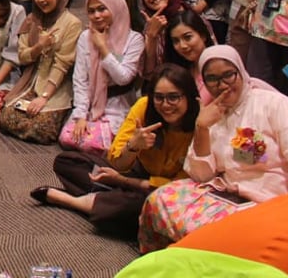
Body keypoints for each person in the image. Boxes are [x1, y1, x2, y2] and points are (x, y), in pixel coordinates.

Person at [138, 46, 288, 252]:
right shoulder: (212, 113)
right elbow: (201, 175)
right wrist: (202, 128)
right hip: (229, 195)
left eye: (228, 75)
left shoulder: (273, 105)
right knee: (160, 199)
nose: (222, 85)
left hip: (271, 201)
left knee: (221, 235)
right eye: (212, 79)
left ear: (241, 72)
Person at [33, 63, 200, 240]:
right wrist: (133, 146)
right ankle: (106, 200)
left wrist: (122, 181)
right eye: (159, 97)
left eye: (173, 97)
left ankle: (76, 202)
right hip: (133, 172)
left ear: (189, 96)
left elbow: (176, 186)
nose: (165, 105)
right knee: (67, 162)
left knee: (143, 205)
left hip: (162, 192)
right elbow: (116, 162)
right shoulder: (144, 106)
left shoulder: (200, 125)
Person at [0, 0, 81, 144]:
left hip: (56, 86)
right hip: (31, 82)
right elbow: (22, 57)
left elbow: (62, 64)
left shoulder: (72, 24)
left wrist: (44, 97)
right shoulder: (31, 20)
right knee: (6, 116)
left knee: (42, 127)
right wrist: (39, 47)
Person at [59, 0, 143, 152]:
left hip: (117, 106)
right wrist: (81, 115)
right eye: (91, 11)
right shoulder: (85, 37)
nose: (97, 16)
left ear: (115, 8)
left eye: (102, 9)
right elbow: (80, 80)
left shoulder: (134, 39)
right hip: (90, 105)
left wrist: (103, 48)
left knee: (95, 143)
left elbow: (123, 78)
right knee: (68, 138)